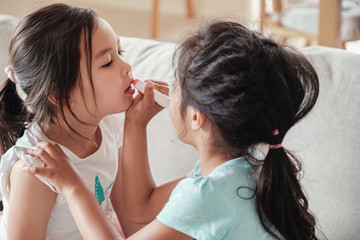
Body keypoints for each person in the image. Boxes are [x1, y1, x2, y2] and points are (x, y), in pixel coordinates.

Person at [23, 21, 324, 240]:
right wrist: (136, 125)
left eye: (177, 85)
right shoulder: (240, 169)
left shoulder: (210, 195)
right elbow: (140, 209)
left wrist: (74, 188)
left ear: (196, 118)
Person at [0, 3, 167, 239]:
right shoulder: (36, 168)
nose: (127, 67)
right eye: (108, 62)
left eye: (120, 53)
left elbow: (132, 217)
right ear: (61, 94)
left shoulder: (110, 126)